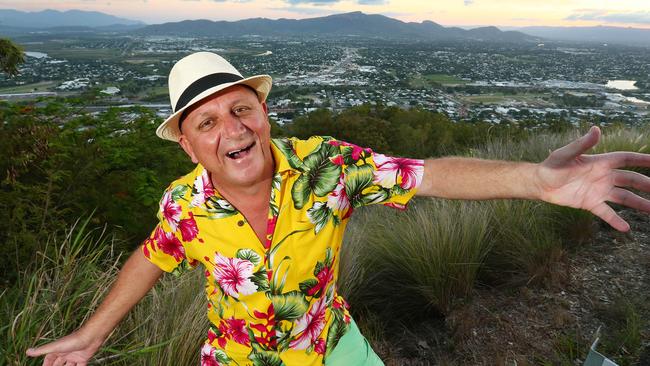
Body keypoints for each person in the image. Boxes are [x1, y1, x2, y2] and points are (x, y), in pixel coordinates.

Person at [26, 52, 650, 366]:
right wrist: (92, 333)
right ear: (187, 143)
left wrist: (537, 182)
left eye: (242, 108)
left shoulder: (326, 166)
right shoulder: (186, 205)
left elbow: (427, 175)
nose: (233, 129)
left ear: (264, 113)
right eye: (207, 122)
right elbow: (153, 254)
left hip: (334, 347)